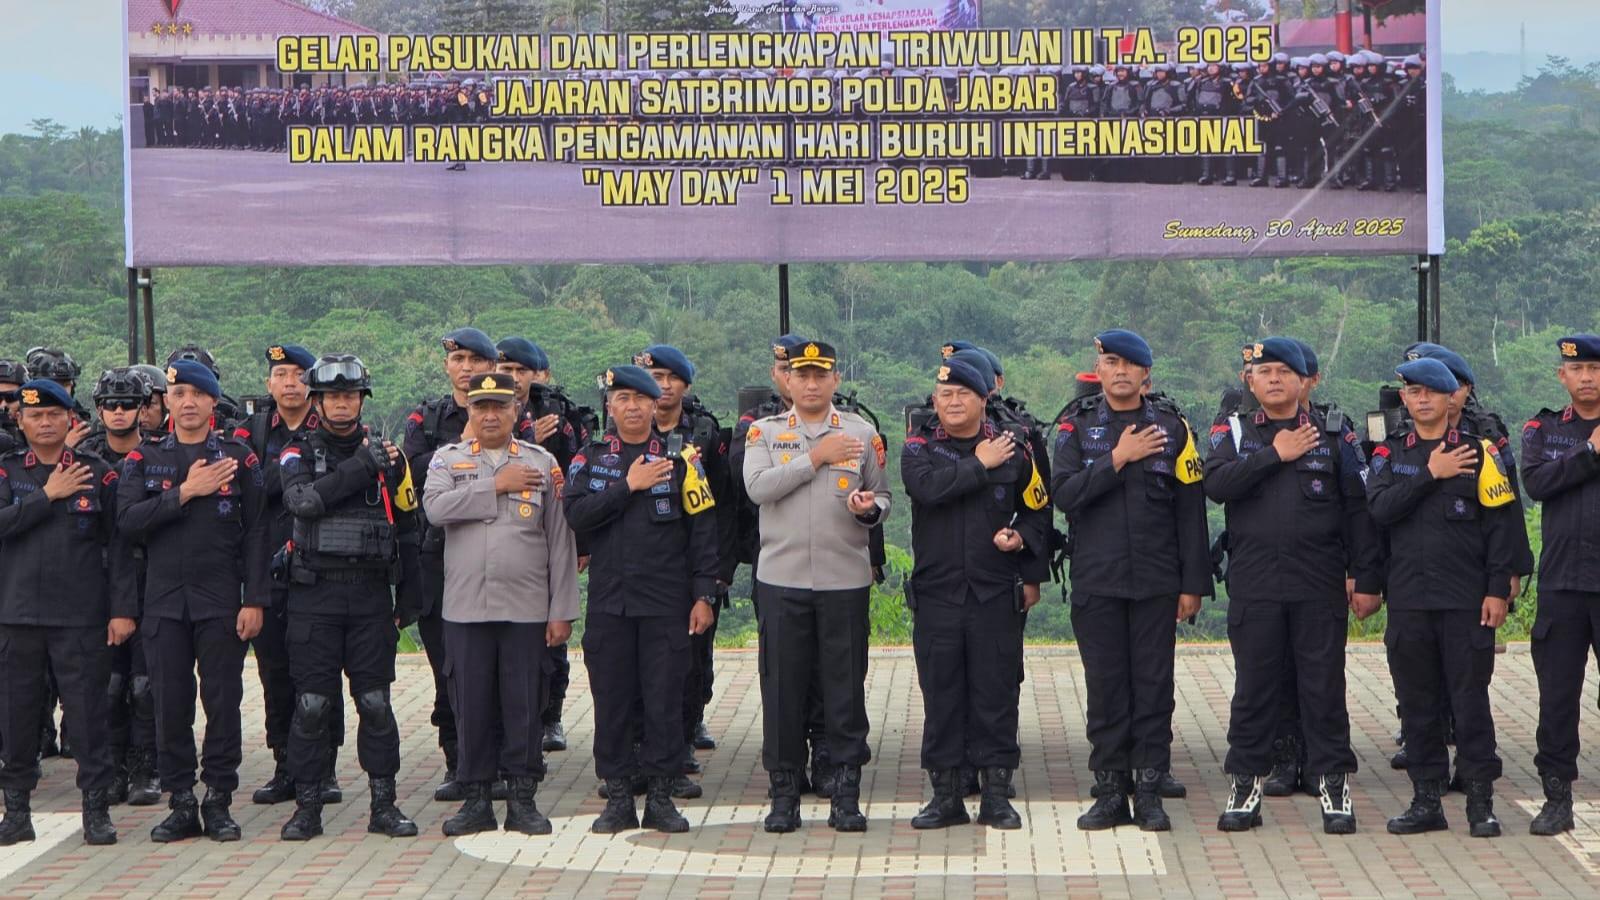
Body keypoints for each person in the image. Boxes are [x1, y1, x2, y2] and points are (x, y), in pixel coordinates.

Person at [1203, 339, 1383, 834]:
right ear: (1250, 381)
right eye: (1265, 372)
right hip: (1256, 584)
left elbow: (1358, 510)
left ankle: (1334, 788)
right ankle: (1245, 787)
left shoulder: (1333, 432)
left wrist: (1365, 577)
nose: (1275, 379)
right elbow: (1214, 485)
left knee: (1323, 689)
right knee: (1254, 690)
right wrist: (1274, 455)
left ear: (1305, 380)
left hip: (1318, 583)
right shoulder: (1234, 430)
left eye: (1286, 371)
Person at [1052, 330, 1210, 832]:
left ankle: (1148, 790)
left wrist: (1193, 584)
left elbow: (1191, 513)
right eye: (1111, 362)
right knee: (1106, 690)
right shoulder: (1074, 428)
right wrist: (1117, 458)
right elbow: (1065, 494)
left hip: (1157, 581)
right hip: (1098, 580)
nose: (1120, 371)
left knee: (1153, 688)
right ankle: (1109, 791)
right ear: (1098, 370)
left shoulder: (1172, 427)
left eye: (1130, 364)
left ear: (1147, 374)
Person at [1366, 358, 1524, 838]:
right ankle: (1426, 800)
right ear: (1407, 401)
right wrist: (1429, 475)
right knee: (1418, 704)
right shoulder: (1389, 454)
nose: (1422, 401)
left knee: (1470, 702)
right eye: (1413, 393)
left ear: (1450, 398)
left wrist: (1499, 590)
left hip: (1465, 601)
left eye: (1431, 393)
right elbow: (1379, 510)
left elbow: (1504, 528)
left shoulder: (1480, 452)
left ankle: (1480, 803)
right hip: (1411, 600)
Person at [116, 360, 269, 842]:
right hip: (163, 602)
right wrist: (184, 492)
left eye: (195, 394)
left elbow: (258, 533)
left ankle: (218, 799)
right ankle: (182, 800)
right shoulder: (145, 459)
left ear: (211, 402)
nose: (186, 403)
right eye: (177, 393)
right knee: (170, 703)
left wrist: (256, 599)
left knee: (223, 702)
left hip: (221, 600)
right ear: (166, 402)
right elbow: (127, 522)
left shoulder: (239, 457)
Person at [744, 341, 891, 833]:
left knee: (844, 690)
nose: (810, 383)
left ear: (835, 381)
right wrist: (815, 457)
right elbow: (758, 488)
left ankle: (845, 794)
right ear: (787, 380)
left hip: (843, 580)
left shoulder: (861, 433)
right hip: (782, 580)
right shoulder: (763, 432)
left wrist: (870, 507)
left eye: (819, 376)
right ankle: (783, 795)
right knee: (782, 690)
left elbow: (883, 496)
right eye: (801, 375)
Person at [564, 366, 718, 833]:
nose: (632, 406)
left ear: (657, 406)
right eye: (622, 398)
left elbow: (704, 532)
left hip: (667, 605)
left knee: (664, 701)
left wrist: (704, 594)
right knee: (612, 700)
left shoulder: (682, 458)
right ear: (610, 406)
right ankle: (616, 797)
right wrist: (627, 486)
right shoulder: (590, 458)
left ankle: (661, 798)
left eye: (641, 398)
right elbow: (576, 515)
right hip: (611, 605)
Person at [423, 373, 579, 836]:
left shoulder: (542, 461)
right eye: (481, 407)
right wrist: (496, 485)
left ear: (516, 410)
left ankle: (522, 799)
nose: (490, 415)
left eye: (500, 406)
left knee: (524, 705)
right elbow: (435, 510)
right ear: (469, 411)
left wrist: (561, 610)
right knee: (471, 706)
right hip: (467, 609)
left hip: (527, 609)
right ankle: (475, 799)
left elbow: (560, 541)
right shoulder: (447, 460)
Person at [275, 355, 422, 841]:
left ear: (361, 399)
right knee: (313, 706)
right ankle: (308, 809)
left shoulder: (391, 458)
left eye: (350, 395)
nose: (342, 403)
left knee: (376, 703)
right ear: (316, 402)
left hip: (369, 598)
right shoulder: (297, 453)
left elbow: (408, 526)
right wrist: (362, 466)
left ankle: (384, 805)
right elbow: (304, 504)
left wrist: (412, 593)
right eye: (333, 396)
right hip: (314, 596)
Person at [901, 358, 1049, 831]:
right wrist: (979, 464)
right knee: (941, 699)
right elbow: (926, 490)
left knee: (996, 697)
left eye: (963, 394)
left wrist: (1022, 540)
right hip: (938, 595)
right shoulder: (920, 445)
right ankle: (945, 797)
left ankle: (997, 797)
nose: (953, 402)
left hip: (992, 595)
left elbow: (1038, 512)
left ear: (984, 399)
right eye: (945, 395)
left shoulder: (1016, 447)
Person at [0, 379, 132, 846]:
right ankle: (16, 812)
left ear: (70, 419)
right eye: (35, 415)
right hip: (17, 615)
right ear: (21, 420)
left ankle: (95, 810)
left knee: (88, 716)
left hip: (80, 616)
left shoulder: (98, 472)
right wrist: (47, 496)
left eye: (54, 414)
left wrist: (122, 611)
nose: (45, 422)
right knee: (15, 718)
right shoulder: (6, 471)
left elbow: (120, 548)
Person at [232, 343, 346, 808]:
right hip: (268, 569)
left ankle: (325, 768)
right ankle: (285, 765)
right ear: (269, 384)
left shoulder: (334, 429)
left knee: (320, 675)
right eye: (281, 374)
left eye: (300, 374)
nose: (291, 382)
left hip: (320, 570)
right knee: (275, 673)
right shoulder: (251, 430)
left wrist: (281, 482)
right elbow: (244, 489)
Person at [402, 327, 498, 801]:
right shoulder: (428, 417)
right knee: (449, 670)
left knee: (499, 666)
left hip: (496, 556)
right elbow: (411, 471)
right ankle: (458, 761)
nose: (464, 367)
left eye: (473, 359)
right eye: (457, 359)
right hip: (437, 557)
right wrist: (459, 447)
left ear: (490, 366)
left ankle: (499, 763)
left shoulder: (508, 414)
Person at [635, 344, 732, 790]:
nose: (663, 385)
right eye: (654, 376)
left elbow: (723, 506)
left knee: (693, 662)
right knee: (644, 666)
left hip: (695, 564)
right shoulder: (630, 430)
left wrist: (718, 572)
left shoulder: (705, 432)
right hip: (644, 566)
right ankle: (644, 747)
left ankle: (685, 736)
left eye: (671, 377)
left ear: (685, 384)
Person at [1522, 334, 1600, 836]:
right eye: (1579, 369)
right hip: (1565, 583)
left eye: (1596, 368)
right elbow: (1537, 483)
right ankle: (1556, 797)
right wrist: (1590, 452)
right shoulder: (1544, 428)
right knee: (1557, 696)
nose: (1588, 377)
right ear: (1562, 376)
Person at [79, 368, 162, 806]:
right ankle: (111, 768)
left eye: (127, 404)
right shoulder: (84, 460)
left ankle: (146, 768)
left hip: (150, 578)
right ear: (99, 410)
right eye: (110, 404)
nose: (118, 412)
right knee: (107, 685)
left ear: (143, 408)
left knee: (146, 685)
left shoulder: (159, 457)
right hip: (98, 582)